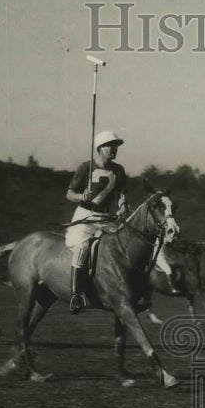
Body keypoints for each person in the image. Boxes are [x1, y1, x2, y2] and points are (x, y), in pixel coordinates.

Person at [65, 131, 178, 314]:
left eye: (116, 146)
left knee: (127, 245)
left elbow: (122, 194)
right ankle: (76, 295)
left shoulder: (118, 170)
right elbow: (69, 194)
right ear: (101, 148)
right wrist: (81, 195)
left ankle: (135, 292)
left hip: (105, 218)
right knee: (82, 248)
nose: (115, 150)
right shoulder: (86, 167)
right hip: (84, 216)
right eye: (111, 146)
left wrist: (123, 205)